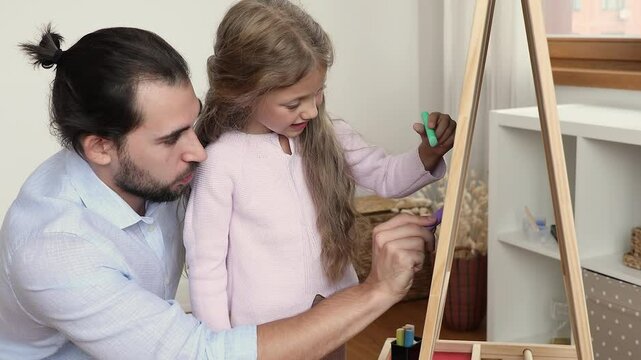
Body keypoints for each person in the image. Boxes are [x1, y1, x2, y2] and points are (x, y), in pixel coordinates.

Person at [0, 25, 437, 360]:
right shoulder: (54, 250)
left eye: (194, 122)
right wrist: (378, 289)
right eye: (172, 138)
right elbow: (203, 353)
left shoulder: (160, 173)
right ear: (99, 146)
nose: (199, 151)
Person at [184, 2, 456, 356]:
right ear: (242, 92)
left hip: (331, 318)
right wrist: (220, 348)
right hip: (264, 338)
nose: (312, 110)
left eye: (318, 93)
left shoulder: (329, 135)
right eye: (294, 102)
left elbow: (387, 177)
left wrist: (428, 154)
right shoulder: (220, 163)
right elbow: (206, 269)